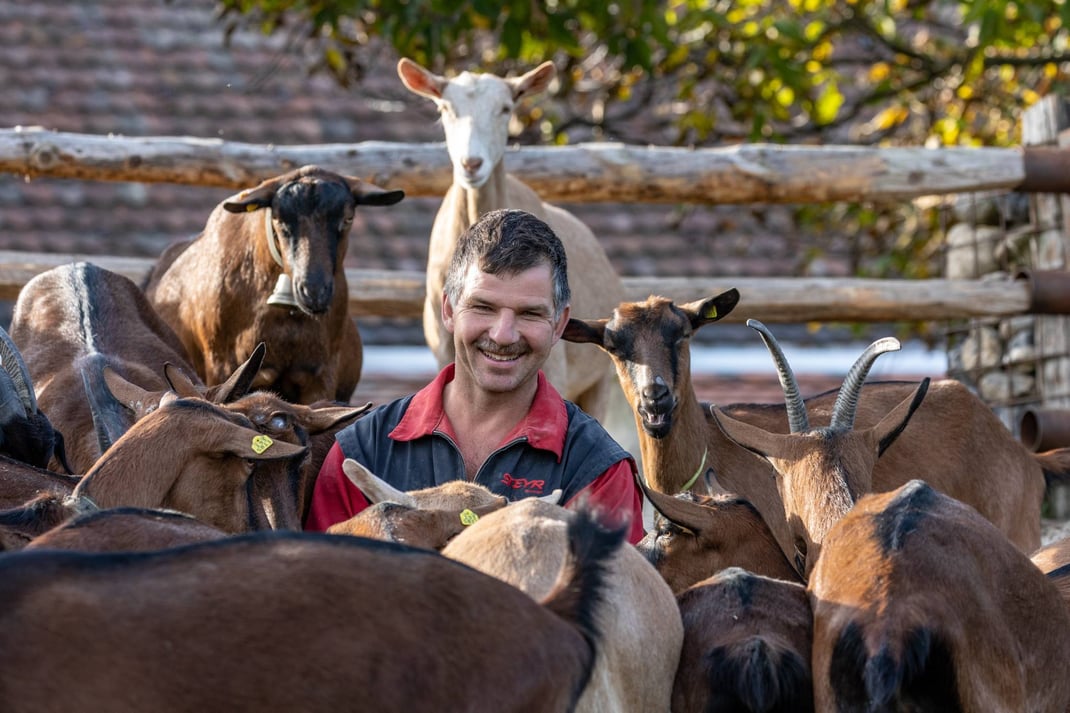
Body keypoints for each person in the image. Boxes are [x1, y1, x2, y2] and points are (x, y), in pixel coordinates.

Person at [305, 208, 644, 543]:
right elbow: (322, 586)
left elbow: (612, 594)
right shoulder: (363, 450)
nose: (503, 335)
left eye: (529, 313)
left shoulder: (598, 471)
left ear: (558, 323)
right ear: (449, 309)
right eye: (483, 307)